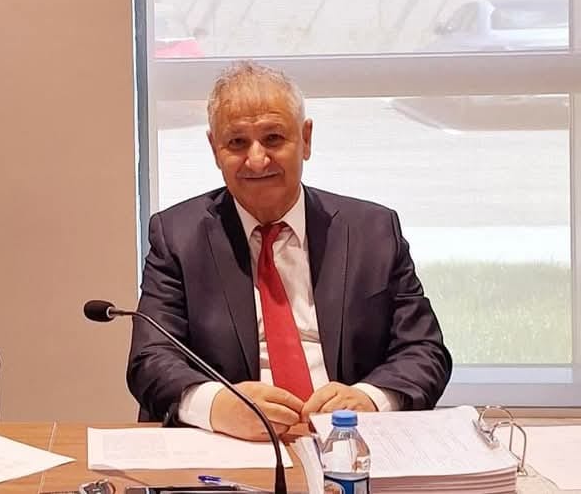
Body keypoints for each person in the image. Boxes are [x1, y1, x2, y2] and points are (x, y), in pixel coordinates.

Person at [127, 60, 451, 441]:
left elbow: (424, 350)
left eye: (273, 138)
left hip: (349, 441)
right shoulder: (177, 237)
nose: (257, 159)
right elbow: (150, 359)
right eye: (237, 142)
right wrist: (217, 405)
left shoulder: (373, 231)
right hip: (233, 445)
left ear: (306, 139)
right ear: (214, 149)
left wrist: (370, 399)